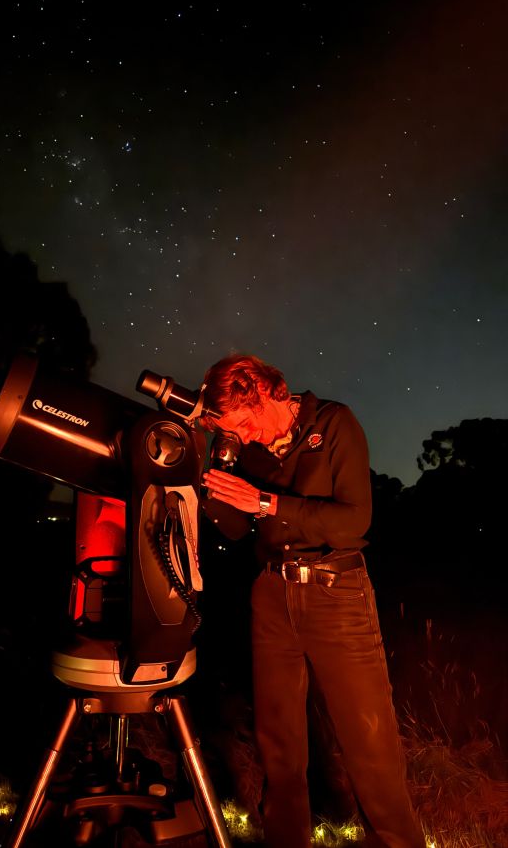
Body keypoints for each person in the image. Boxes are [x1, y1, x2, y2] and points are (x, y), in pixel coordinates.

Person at [199, 353, 425, 848]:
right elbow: (237, 529)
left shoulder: (334, 423)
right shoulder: (245, 446)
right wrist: (213, 476)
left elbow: (353, 521)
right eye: (231, 429)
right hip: (272, 595)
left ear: (261, 391)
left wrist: (265, 502)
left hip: (336, 592)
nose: (244, 434)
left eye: (243, 422)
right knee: (279, 746)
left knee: (370, 745)